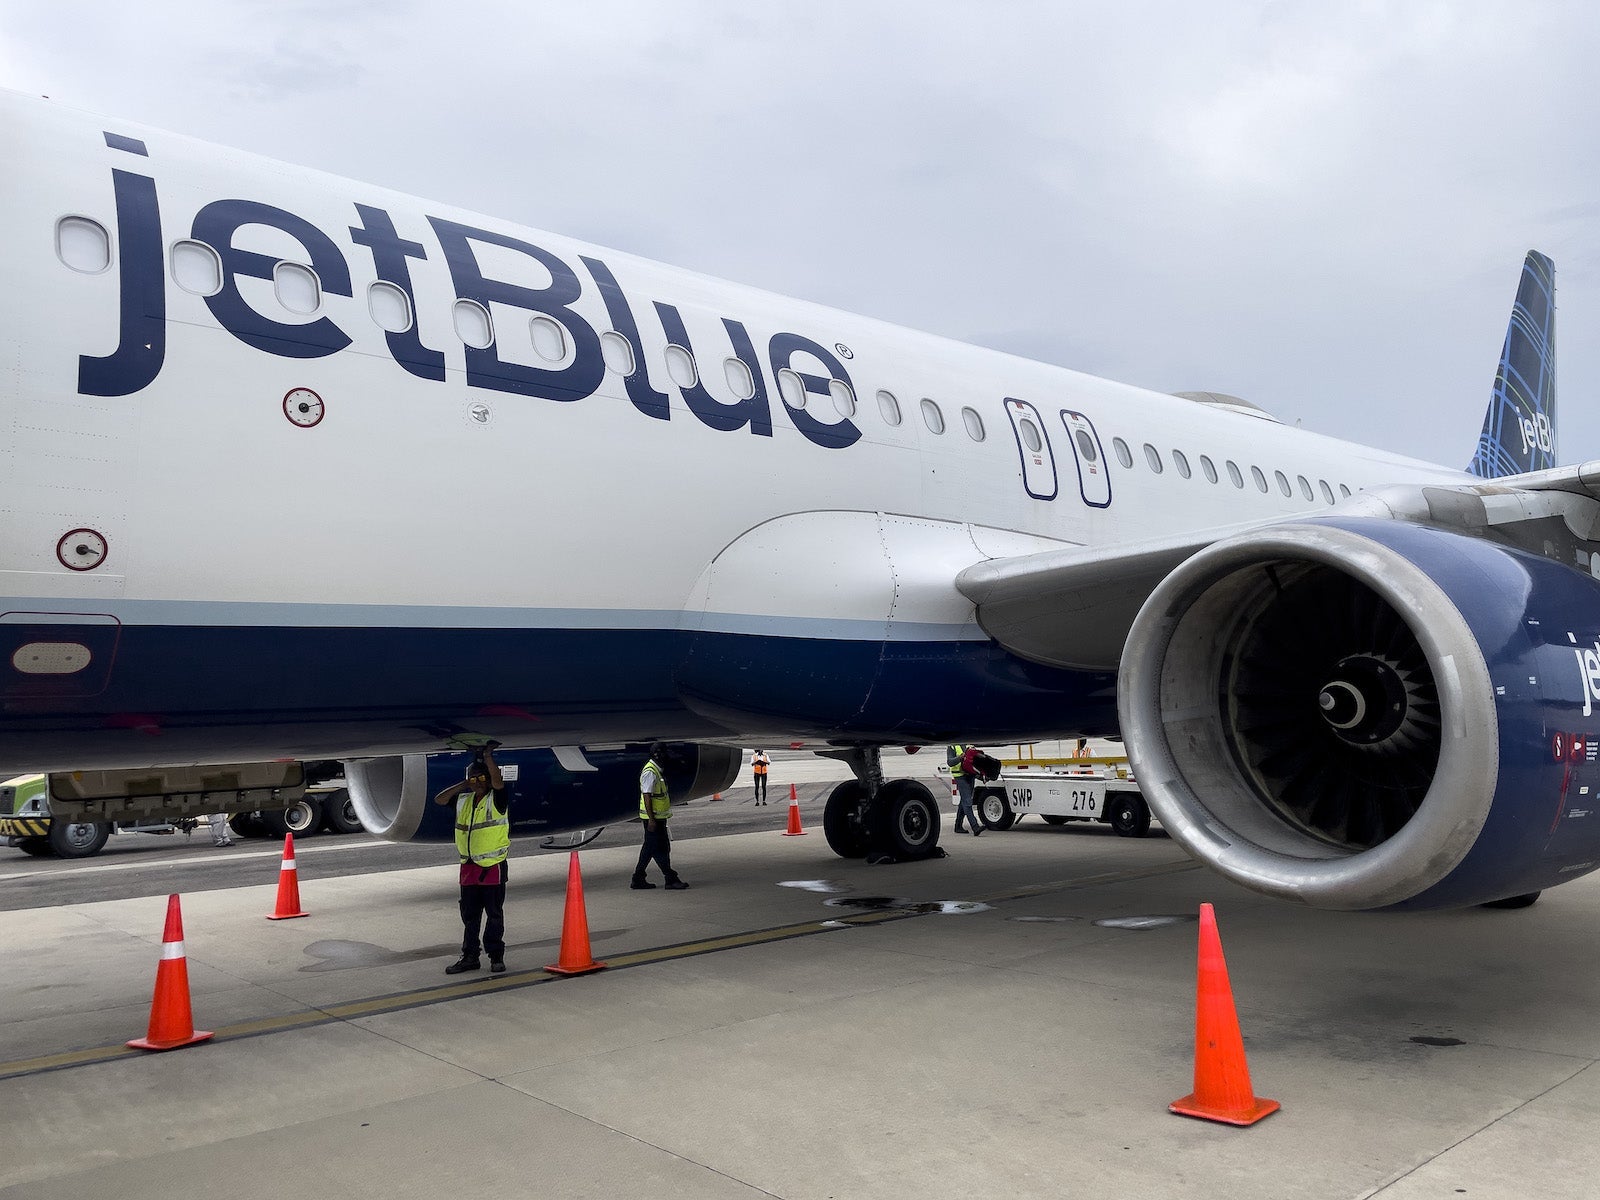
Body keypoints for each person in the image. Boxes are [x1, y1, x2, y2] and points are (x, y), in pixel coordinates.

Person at [432, 746, 510, 975]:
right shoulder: (463, 800)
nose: (477, 782)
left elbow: (498, 782)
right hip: (468, 867)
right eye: (473, 778)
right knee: (470, 916)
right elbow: (439, 799)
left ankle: (496, 956)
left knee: (494, 915)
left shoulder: (497, 799)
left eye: (481, 778)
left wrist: (487, 757)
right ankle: (470, 956)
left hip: (492, 866)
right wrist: (463, 784)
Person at [633, 744, 689, 890]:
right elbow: (647, 796)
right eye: (665, 754)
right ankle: (670, 878)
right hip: (653, 819)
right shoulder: (650, 772)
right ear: (659, 755)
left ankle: (638, 878)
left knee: (650, 848)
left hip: (658, 817)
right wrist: (651, 820)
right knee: (660, 848)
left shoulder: (657, 770)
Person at [947, 743, 983, 837]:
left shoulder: (969, 744)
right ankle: (975, 826)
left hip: (970, 774)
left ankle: (958, 826)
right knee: (967, 801)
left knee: (964, 801)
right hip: (959, 775)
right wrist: (960, 757)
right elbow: (950, 762)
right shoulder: (952, 746)